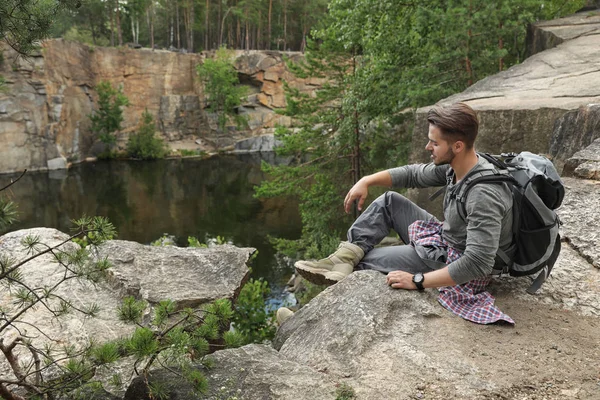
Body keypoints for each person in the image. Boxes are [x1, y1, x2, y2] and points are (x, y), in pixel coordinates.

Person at [294, 102, 515, 324]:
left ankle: (306, 321)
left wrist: (417, 280)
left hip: (458, 262)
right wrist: (367, 180)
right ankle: (342, 259)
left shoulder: (483, 194)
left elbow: (478, 263)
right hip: (448, 238)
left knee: (366, 262)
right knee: (390, 201)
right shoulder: (461, 164)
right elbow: (413, 174)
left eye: (434, 143)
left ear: (457, 146)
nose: (428, 147)